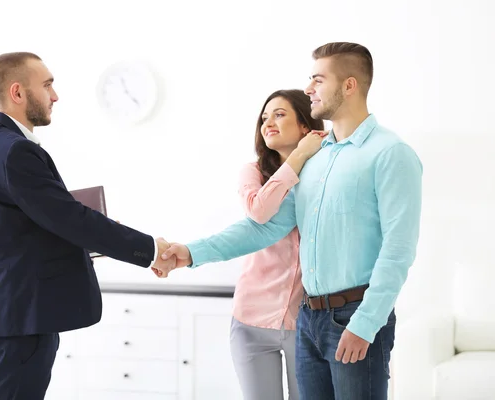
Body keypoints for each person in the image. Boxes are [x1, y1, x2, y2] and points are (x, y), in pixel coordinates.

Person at [158, 42, 423, 400]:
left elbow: (398, 249)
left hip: (355, 316)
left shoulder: (390, 154)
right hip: (308, 319)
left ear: (348, 86)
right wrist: (189, 253)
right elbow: (264, 227)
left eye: (317, 79)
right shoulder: (313, 158)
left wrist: (366, 322)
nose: (309, 89)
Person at [0, 52, 175, 400]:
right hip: (19, 320)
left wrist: (92, 234)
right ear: (17, 93)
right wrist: (150, 249)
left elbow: (28, 230)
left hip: (9, 316)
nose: (55, 95)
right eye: (47, 85)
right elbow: (72, 220)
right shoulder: (13, 151)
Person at [228, 89, 326, 399]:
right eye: (264, 117)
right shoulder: (252, 172)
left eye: (279, 114)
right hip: (251, 321)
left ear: (304, 126)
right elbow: (259, 210)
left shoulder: (326, 174)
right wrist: (297, 157)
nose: (268, 122)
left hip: (306, 325)